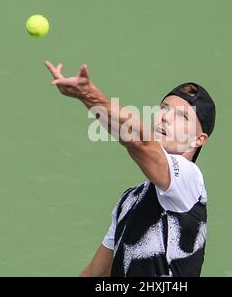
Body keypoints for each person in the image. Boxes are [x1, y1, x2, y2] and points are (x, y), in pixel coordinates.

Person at [45, 60, 216, 277]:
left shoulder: (190, 180)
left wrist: (89, 95)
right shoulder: (130, 199)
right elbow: (96, 272)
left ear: (198, 140)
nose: (164, 117)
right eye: (164, 109)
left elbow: (139, 142)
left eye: (182, 116)